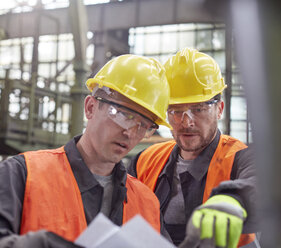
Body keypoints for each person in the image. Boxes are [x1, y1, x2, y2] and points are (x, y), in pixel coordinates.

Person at [0, 54, 171, 247]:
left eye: (143, 125)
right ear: (90, 107)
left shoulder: (147, 203)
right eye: (123, 115)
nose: (130, 133)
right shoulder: (22, 175)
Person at [128, 48, 259, 248]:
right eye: (175, 110)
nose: (186, 122)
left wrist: (234, 200)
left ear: (219, 109)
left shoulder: (239, 157)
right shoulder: (145, 160)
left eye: (198, 109)